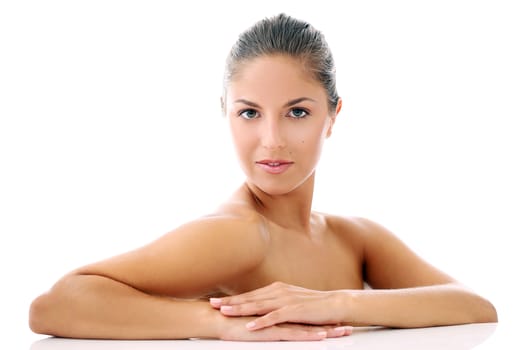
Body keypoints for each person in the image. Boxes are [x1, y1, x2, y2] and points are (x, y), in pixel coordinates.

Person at [29, 13, 497, 342]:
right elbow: (54, 304)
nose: (271, 140)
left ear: (333, 116)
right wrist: (216, 322)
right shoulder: (240, 234)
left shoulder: (355, 237)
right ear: (225, 113)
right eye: (249, 112)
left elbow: (474, 305)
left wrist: (336, 303)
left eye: (297, 112)